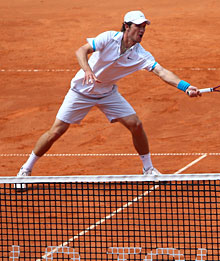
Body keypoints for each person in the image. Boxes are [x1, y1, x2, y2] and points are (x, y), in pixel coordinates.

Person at [15, 11, 201, 187]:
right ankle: (25, 169)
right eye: (139, 26)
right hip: (81, 91)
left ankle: (148, 169)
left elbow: (162, 72)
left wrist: (185, 87)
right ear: (127, 27)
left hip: (107, 93)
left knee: (135, 124)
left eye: (144, 26)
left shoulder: (140, 54)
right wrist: (87, 70)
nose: (143, 30)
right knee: (56, 131)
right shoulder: (108, 37)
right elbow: (81, 51)